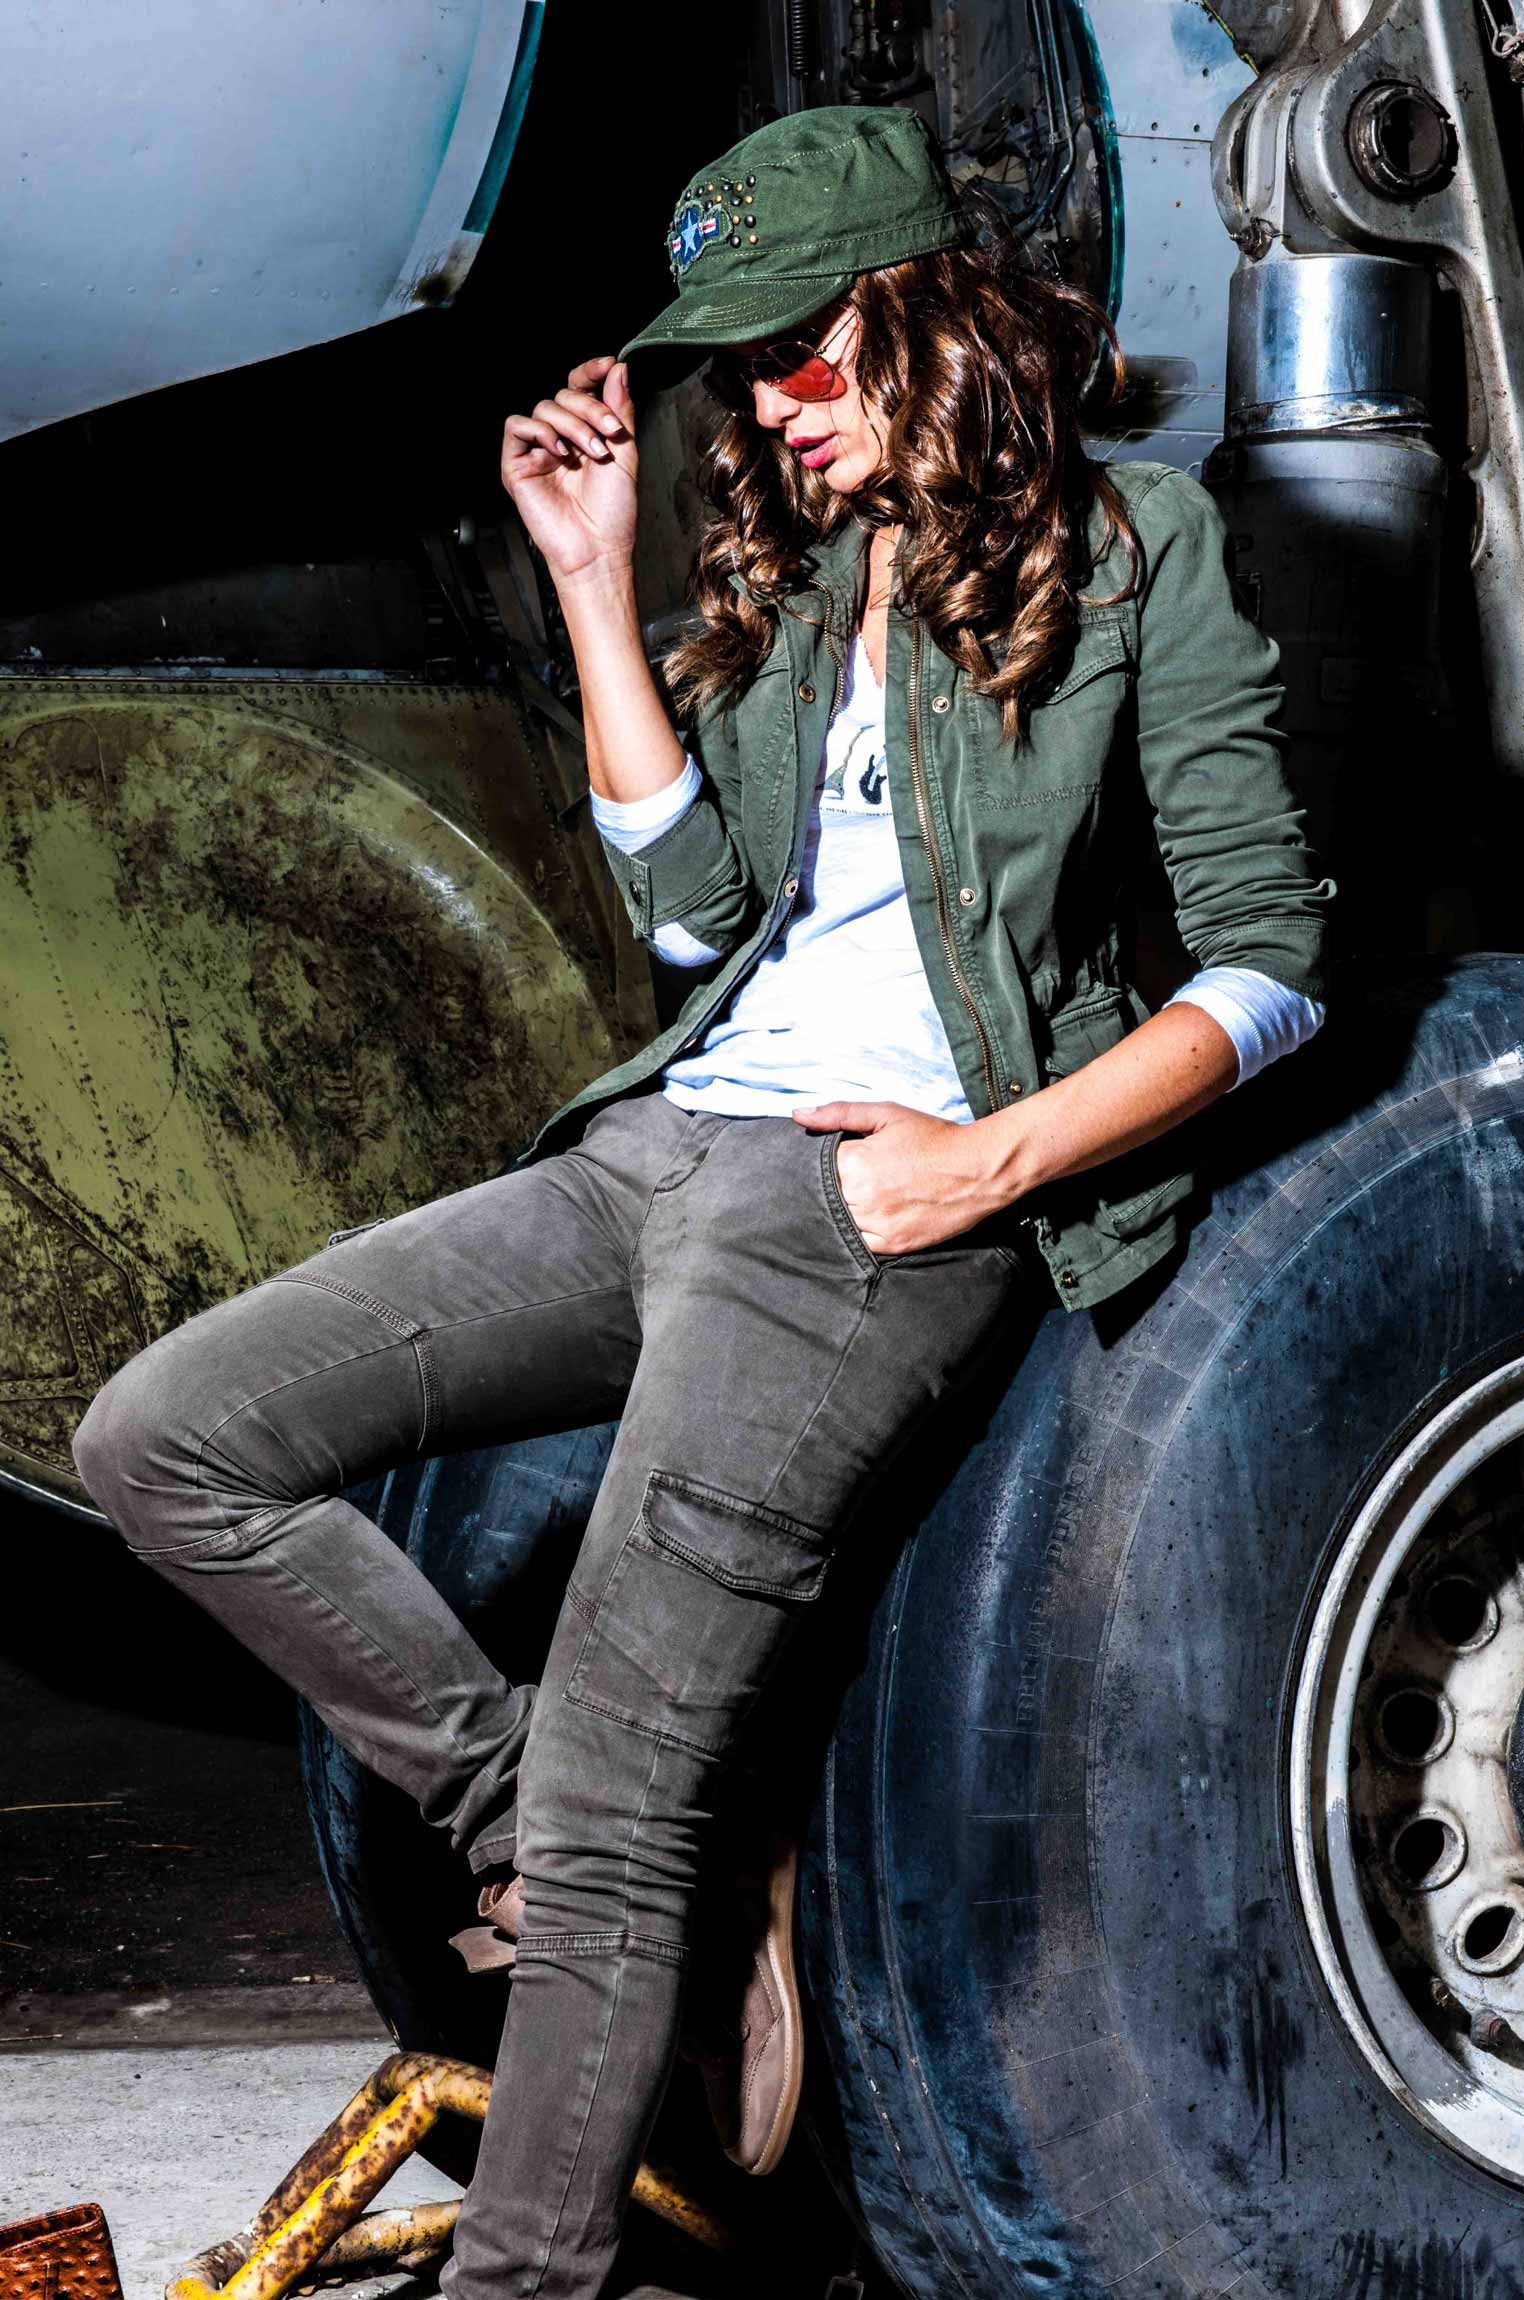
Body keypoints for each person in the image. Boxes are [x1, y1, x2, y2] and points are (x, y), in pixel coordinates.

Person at [72, 104, 1334, 2300]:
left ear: (930, 315)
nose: (768, 404)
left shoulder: (1139, 549)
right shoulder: (806, 569)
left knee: (619, 1802)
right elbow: (691, 923)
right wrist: (589, 576)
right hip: (659, 1140)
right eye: (741, 369)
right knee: (163, 1438)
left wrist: (985, 1159)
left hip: (861, 1209)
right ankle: (557, 1834)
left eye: (799, 353)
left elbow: (1269, 958)